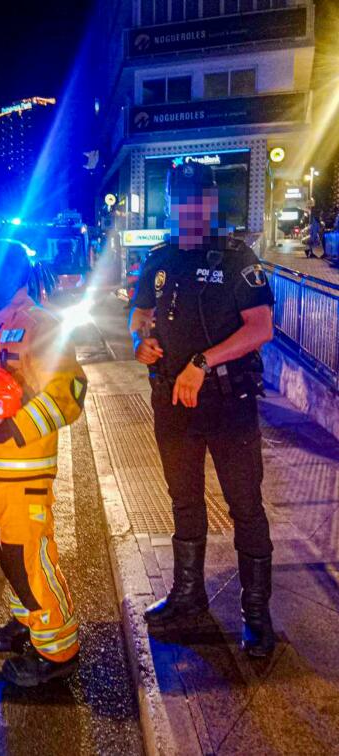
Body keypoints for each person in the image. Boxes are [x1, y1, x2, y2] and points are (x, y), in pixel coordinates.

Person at [129, 162, 276, 658]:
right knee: (184, 502)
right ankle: (188, 597)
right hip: (173, 403)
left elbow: (260, 328)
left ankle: (256, 615)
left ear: (212, 203)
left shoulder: (238, 258)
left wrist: (201, 361)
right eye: (182, 201)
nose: (190, 210)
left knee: (245, 506)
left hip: (227, 403)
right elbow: (141, 313)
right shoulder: (160, 257)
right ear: (170, 205)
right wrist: (141, 340)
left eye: (200, 200)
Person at [0, 238, 87, 686]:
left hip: (24, 468)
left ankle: (58, 650)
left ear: (11, 274)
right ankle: (27, 619)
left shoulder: (41, 324)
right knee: (4, 549)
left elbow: (68, 395)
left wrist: (14, 428)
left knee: (29, 556)